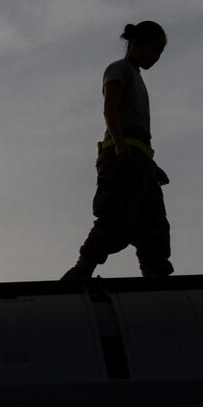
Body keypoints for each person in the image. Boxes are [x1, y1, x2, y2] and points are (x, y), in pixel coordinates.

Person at [61, 21, 173, 280]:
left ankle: (156, 276)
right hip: (121, 157)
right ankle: (83, 267)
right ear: (137, 43)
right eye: (154, 49)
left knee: (153, 226)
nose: (156, 57)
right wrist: (121, 147)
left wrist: (150, 166)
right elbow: (110, 110)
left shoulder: (137, 78)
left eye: (160, 53)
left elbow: (136, 127)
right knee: (116, 218)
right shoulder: (119, 69)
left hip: (140, 159)